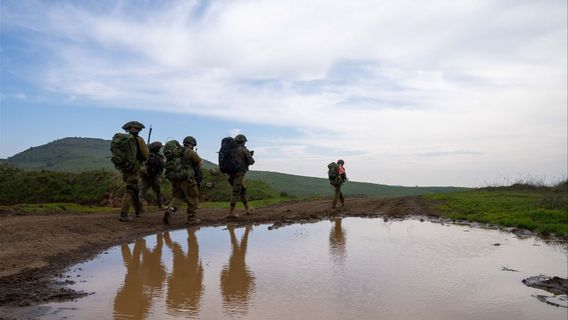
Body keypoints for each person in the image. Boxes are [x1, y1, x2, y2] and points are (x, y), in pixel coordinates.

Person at [163, 136, 203, 225]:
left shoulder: (175, 153)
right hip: (187, 179)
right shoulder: (190, 152)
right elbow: (200, 162)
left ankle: (170, 209)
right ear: (191, 144)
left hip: (175, 179)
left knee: (178, 196)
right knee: (192, 197)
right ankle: (191, 218)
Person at [118, 121, 149, 221]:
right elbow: (145, 155)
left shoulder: (123, 140)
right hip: (134, 168)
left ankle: (138, 210)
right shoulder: (139, 140)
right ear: (138, 130)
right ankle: (124, 214)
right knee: (130, 190)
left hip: (125, 169)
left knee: (135, 189)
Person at [228, 134, 255, 218]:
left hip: (231, 175)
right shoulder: (244, 150)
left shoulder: (231, 150)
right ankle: (231, 212)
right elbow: (252, 162)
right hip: (239, 174)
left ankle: (247, 209)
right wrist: (249, 155)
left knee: (242, 191)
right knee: (236, 193)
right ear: (243, 142)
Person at [140, 141, 165, 208]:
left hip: (146, 176)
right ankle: (161, 205)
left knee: (141, 192)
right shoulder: (159, 156)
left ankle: (139, 207)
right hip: (154, 177)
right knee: (159, 191)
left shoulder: (146, 155)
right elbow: (162, 166)